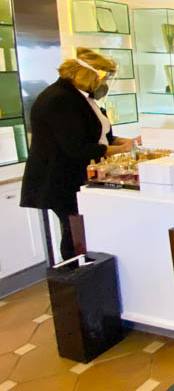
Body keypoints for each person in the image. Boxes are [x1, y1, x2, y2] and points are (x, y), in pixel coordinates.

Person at [20, 48, 138, 261]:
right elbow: (77, 148)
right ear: (89, 74)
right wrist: (122, 149)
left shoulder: (82, 98)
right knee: (74, 231)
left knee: (82, 228)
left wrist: (129, 142)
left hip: (78, 176)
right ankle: (74, 273)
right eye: (103, 76)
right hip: (59, 180)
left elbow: (100, 136)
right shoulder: (59, 99)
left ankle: (87, 269)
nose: (105, 82)